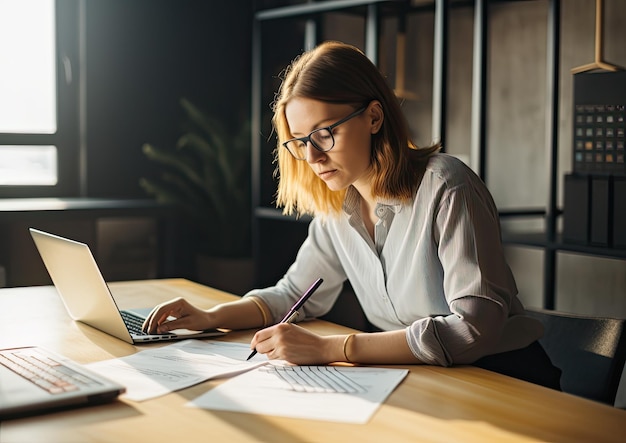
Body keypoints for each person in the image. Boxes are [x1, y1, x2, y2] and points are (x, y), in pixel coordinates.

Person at [143, 41, 561, 389]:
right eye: (300, 141)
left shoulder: (447, 186)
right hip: (421, 378)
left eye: (325, 133)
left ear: (374, 117)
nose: (312, 156)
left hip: (503, 378)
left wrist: (332, 349)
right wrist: (210, 318)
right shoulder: (337, 207)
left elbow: (474, 329)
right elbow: (293, 296)